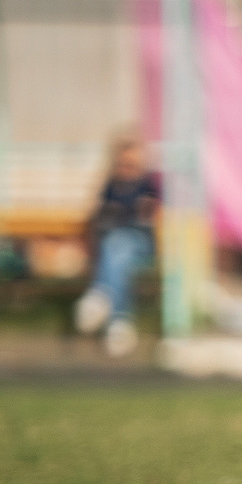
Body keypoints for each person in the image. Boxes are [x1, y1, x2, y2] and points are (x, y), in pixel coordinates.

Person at [75, 135, 161, 357]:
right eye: (123, 163)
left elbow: (151, 217)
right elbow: (99, 216)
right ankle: (120, 321)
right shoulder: (111, 186)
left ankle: (101, 295)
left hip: (141, 244)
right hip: (114, 246)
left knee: (118, 247)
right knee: (116, 253)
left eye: (131, 163)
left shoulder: (148, 185)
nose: (126, 167)